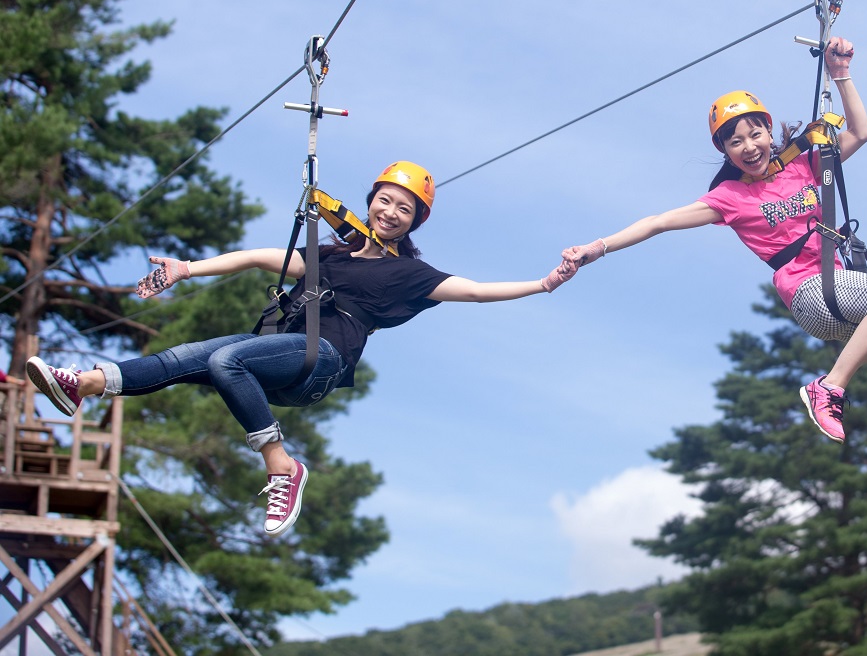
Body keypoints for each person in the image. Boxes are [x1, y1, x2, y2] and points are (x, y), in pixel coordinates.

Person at [26, 160, 576, 537]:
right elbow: (259, 256)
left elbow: (477, 291)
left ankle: (282, 466)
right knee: (186, 358)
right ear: (370, 203)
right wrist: (186, 268)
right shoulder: (329, 257)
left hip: (322, 362)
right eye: (384, 201)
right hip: (279, 352)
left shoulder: (410, 274)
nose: (390, 212)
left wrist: (541, 283)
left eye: (403, 210)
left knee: (225, 359)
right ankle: (85, 386)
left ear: (413, 223)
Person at [559, 37, 867, 444]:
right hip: (807, 295)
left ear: (768, 131)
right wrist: (595, 248)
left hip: (839, 287)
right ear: (726, 153)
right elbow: (656, 222)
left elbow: (861, 132)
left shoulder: (805, 165)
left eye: (754, 133)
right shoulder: (730, 198)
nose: (748, 146)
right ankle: (828, 388)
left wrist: (841, 75)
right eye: (734, 142)